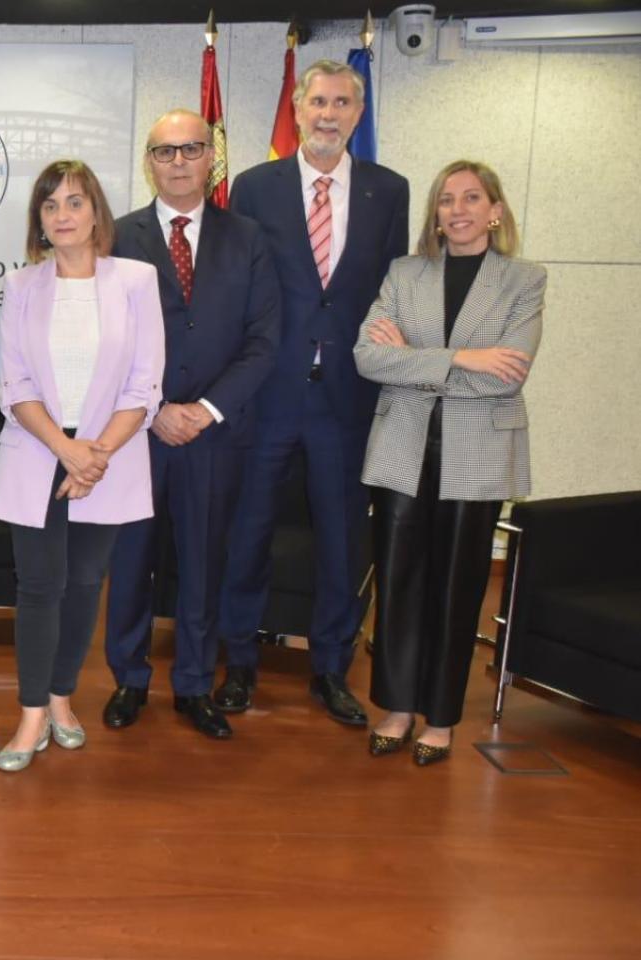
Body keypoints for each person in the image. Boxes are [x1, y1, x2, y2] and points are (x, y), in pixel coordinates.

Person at [216, 60, 410, 726]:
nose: (329, 114)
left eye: (343, 103)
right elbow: (235, 288)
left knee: (340, 539)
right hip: (267, 392)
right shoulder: (254, 186)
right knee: (249, 532)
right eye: (318, 101)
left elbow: (392, 290)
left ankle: (331, 668)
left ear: (359, 113)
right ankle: (239, 661)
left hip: (348, 399)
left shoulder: (390, 190)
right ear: (297, 108)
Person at [354, 161, 542, 766]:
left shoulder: (524, 280)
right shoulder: (405, 274)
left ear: (495, 210)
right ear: (434, 214)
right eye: (445, 200)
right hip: (403, 447)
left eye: (471, 198)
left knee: (459, 587)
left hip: (478, 451)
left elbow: (508, 374)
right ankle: (398, 706)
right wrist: (466, 356)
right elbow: (367, 359)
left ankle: (441, 718)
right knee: (400, 582)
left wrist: (416, 358)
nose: (456, 210)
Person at [101, 110, 279, 740]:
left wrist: (203, 411)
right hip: (135, 434)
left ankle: (195, 685)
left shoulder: (251, 239)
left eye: (191, 150)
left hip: (215, 433)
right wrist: (153, 412)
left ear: (212, 159)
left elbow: (263, 341)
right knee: (130, 563)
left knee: (205, 563)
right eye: (165, 151)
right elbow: (106, 342)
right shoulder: (117, 237)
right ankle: (128, 678)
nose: (178, 162)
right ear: (149, 161)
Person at [0, 160, 164, 773]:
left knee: (86, 584)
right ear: (38, 220)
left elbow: (145, 386)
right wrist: (67, 451)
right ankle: (31, 713)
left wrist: (95, 456)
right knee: (38, 586)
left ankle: (63, 698)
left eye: (75, 202)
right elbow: (15, 384)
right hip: (38, 453)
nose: (63, 215)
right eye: (50, 205)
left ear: (96, 214)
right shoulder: (23, 286)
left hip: (108, 458)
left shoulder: (136, 281)